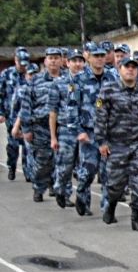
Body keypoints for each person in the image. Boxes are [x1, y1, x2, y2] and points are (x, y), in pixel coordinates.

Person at [95, 54, 138, 231]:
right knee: (116, 184)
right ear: (119, 69)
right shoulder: (107, 90)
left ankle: (136, 218)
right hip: (116, 145)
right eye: (126, 67)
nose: (130, 70)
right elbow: (101, 117)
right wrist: (102, 141)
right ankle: (111, 207)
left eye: (133, 67)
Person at [73, 43, 117, 216]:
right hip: (89, 133)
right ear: (88, 58)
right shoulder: (79, 79)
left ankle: (106, 209)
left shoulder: (113, 77)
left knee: (108, 173)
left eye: (102, 56)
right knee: (88, 171)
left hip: (108, 133)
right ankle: (82, 195)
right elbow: (72, 107)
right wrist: (79, 131)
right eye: (96, 56)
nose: (99, 59)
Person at [21, 48, 65, 202]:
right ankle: (39, 187)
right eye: (50, 58)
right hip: (41, 126)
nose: (53, 61)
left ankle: (60, 190)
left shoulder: (68, 79)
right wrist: (26, 129)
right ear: (45, 61)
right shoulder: (35, 80)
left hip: (63, 126)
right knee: (43, 161)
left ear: (61, 60)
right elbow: (26, 105)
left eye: (56, 58)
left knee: (63, 160)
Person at [49, 48, 86, 207]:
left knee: (84, 168)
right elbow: (53, 112)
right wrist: (53, 136)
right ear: (67, 63)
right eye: (74, 61)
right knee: (66, 166)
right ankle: (60, 189)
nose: (78, 64)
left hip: (85, 130)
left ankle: (83, 202)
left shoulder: (88, 81)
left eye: (80, 61)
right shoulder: (59, 84)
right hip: (66, 130)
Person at [0, 47, 31, 180]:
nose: (23, 67)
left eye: (25, 64)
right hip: (10, 115)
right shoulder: (6, 74)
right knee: (13, 144)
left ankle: (27, 171)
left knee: (27, 144)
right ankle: (12, 166)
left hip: (27, 115)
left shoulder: (30, 74)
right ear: (15, 60)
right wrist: (0, 112)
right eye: (20, 63)